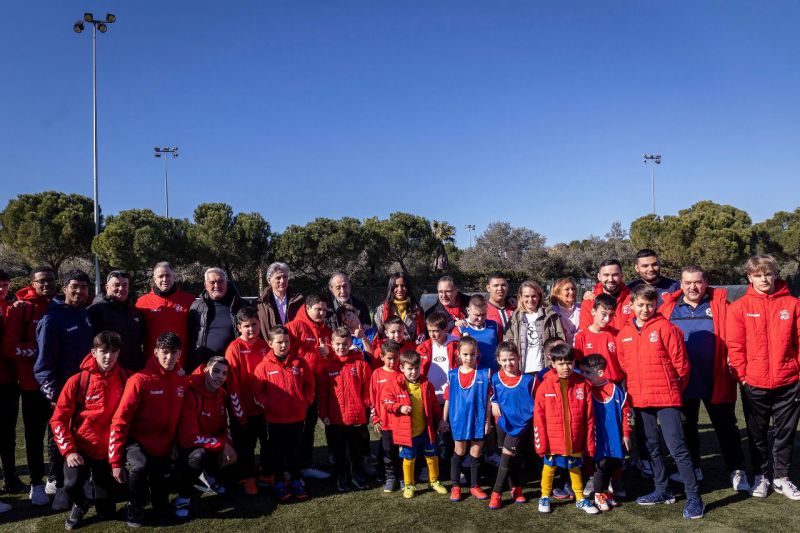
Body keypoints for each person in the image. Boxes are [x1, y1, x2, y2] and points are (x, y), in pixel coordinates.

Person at [616, 284, 703, 519]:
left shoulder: (667, 328)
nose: (646, 309)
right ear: (631, 305)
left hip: (666, 398)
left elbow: (682, 366)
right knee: (651, 448)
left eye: (650, 305)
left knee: (677, 448)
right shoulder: (623, 334)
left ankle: (694, 497)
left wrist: (672, 389)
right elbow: (624, 366)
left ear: (656, 305)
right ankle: (662, 489)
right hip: (640, 399)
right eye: (641, 305)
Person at [660, 265, 749, 491]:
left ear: (705, 282)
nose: (693, 287)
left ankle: (737, 471)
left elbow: (738, 335)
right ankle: (694, 468)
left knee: (726, 427)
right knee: (687, 427)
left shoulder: (721, 305)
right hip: (683, 381)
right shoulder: (668, 309)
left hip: (716, 379)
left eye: (698, 282)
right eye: (688, 282)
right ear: (681, 285)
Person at [727, 254, 800, 500]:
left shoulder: (793, 304)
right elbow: (735, 346)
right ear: (749, 277)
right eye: (757, 275)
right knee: (757, 434)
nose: (764, 279)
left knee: (785, 433)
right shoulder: (740, 307)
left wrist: (796, 372)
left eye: (767, 273)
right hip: (754, 383)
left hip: (789, 382)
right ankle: (761, 476)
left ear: (775, 274)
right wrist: (744, 377)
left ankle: (782, 478)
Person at [49, 331, 130, 530]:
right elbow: (58, 420)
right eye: (103, 351)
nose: (108, 357)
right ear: (93, 352)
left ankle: (104, 494)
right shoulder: (77, 381)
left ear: (119, 353)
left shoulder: (126, 378)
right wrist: (69, 451)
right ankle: (81, 504)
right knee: (71, 485)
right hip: (81, 448)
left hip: (108, 451)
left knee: (107, 511)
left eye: (113, 352)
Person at [109, 332, 188, 528]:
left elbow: (182, 417)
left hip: (164, 444)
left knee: (161, 501)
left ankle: (156, 499)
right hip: (138, 442)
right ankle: (133, 503)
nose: (169, 358)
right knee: (140, 465)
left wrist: (176, 442)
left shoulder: (181, 379)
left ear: (180, 354)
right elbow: (120, 420)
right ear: (155, 352)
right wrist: (116, 461)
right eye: (165, 352)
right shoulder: (139, 380)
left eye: (174, 353)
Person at [35, 269, 94, 510]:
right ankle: (59, 486)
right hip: (62, 394)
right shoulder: (51, 319)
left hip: (87, 391)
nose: (79, 292)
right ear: (64, 288)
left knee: (85, 437)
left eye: (83, 287)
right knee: (59, 439)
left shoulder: (86, 315)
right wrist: (53, 395)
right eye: (74, 287)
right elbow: (43, 364)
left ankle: (83, 483)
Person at [1, 266, 56, 498]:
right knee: (33, 436)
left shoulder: (59, 306)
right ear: (32, 283)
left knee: (58, 433)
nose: (46, 285)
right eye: (41, 281)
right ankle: (35, 483)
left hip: (58, 384)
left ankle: (55, 478)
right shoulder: (21, 309)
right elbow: (9, 348)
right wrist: (38, 353)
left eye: (50, 281)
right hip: (31, 385)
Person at [534, 344, 598, 515]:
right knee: (549, 468)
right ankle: (544, 496)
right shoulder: (544, 386)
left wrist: (589, 443)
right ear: (553, 363)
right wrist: (541, 444)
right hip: (552, 441)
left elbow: (589, 417)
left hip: (575, 438)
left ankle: (580, 498)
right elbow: (538, 418)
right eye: (561, 363)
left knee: (575, 468)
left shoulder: (583, 385)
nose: (565, 367)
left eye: (569, 363)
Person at [253, 325, 315, 502]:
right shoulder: (264, 366)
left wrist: (306, 401)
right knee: (277, 453)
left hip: (297, 417)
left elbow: (310, 384)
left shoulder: (299, 363)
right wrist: (268, 404)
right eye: (279, 342)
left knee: (295, 451)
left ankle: (296, 480)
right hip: (275, 419)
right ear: (271, 343)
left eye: (286, 341)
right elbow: (258, 390)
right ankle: (279, 482)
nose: (284, 345)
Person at [175, 356, 237, 519]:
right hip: (186, 446)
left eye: (224, 373)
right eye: (215, 371)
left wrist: (227, 443)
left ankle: (209, 476)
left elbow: (224, 426)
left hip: (208, 441)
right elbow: (189, 438)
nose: (220, 377)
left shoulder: (221, 393)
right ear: (205, 370)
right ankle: (183, 496)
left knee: (232, 451)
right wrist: (222, 445)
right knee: (198, 456)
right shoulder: (191, 393)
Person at [381, 350, 448, 499]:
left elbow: (435, 406)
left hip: (426, 431)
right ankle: (409, 484)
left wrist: (440, 421)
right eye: (410, 369)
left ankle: (434, 481)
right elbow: (385, 402)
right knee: (409, 458)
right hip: (407, 433)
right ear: (402, 368)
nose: (413, 372)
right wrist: (399, 407)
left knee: (432, 456)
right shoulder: (395, 384)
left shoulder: (426, 384)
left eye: (416, 368)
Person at [317, 327, 372, 492]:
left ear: (351, 344)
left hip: (356, 417)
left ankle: (357, 475)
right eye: (338, 344)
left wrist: (363, 406)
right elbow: (323, 393)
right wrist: (324, 413)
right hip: (335, 418)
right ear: (332, 344)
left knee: (356, 451)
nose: (342, 347)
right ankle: (342, 477)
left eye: (345, 344)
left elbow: (368, 388)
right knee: (339, 452)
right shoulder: (327, 366)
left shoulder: (360, 364)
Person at [286, 294, 333, 480]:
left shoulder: (327, 330)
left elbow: (333, 355)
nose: (321, 313)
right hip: (297, 387)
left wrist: (328, 353)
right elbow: (283, 354)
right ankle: (290, 467)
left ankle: (305, 465)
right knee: (294, 429)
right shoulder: (294, 327)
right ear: (307, 308)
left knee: (310, 426)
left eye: (324, 310)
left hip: (316, 388)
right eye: (317, 309)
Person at [224, 306, 270, 495]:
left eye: (254, 325)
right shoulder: (234, 348)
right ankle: (247, 478)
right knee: (245, 447)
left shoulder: (264, 346)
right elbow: (231, 383)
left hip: (263, 409)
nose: (251, 329)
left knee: (267, 443)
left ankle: (267, 475)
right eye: (246, 326)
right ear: (239, 327)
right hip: (242, 409)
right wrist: (238, 411)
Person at [578, 354, 632, 512]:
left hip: (614, 437)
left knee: (612, 464)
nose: (583, 375)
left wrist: (626, 433)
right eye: (581, 372)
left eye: (587, 372)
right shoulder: (584, 389)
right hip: (594, 437)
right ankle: (598, 494)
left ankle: (606, 493)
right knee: (600, 465)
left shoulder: (615, 389)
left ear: (600, 373)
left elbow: (626, 411)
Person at [443, 336, 491, 502]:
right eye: (465, 354)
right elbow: (448, 399)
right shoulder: (453, 375)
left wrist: (487, 421)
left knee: (475, 453)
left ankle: (474, 485)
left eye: (472, 354)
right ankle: (456, 486)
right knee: (460, 451)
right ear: (458, 354)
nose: (469, 358)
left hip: (478, 419)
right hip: (459, 419)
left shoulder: (483, 374)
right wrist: (444, 420)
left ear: (477, 354)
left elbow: (488, 401)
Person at [488, 342, 534, 510]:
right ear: (498, 360)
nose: (509, 363)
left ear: (519, 358)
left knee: (507, 458)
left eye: (512, 359)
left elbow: (534, 403)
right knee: (509, 459)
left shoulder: (529, 380)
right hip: (501, 423)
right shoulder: (494, 377)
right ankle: (516, 488)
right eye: (504, 360)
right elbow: (493, 396)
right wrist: (493, 402)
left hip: (519, 425)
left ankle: (496, 493)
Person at [135, 262, 195, 366]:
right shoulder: (142, 302)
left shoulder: (190, 300)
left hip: (181, 364)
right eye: (160, 276)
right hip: (152, 364)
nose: (164, 279)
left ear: (174, 277)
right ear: (154, 279)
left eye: (168, 275)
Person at [187, 267, 247, 371]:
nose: (217, 286)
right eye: (212, 282)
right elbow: (190, 336)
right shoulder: (196, 307)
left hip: (233, 365)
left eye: (220, 282)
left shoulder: (241, 306)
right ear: (205, 285)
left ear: (226, 283)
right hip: (204, 367)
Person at [87, 270, 145, 371]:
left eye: (124, 285)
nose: (121, 288)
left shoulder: (135, 312)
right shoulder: (95, 311)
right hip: (109, 373)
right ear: (107, 287)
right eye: (116, 285)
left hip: (133, 371)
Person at [505, 281, 564, 375]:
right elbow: (508, 344)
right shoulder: (514, 318)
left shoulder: (550, 315)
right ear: (521, 297)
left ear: (539, 296)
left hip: (546, 368)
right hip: (522, 369)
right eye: (526, 296)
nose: (530, 299)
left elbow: (561, 340)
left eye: (534, 296)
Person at [369, 340, 401, 492]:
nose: (392, 362)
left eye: (395, 358)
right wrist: (376, 418)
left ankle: (401, 476)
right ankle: (390, 476)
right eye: (389, 358)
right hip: (385, 421)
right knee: (387, 450)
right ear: (382, 357)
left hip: (402, 421)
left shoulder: (403, 373)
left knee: (402, 450)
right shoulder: (377, 374)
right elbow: (373, 398)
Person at [572, 294, 624, 383]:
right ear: (593, 312)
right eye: (603, 314)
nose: (607, 319)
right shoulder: (581, 337)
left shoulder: (617, 335)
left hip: (614, 383)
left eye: (611, 315)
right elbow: (577, 364)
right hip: (591, 384)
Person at [416, 312, 459, 403]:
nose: (432, 335)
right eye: (429, 331)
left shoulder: (456, 345)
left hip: (451, 398)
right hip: (430, 398)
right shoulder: (423, 348)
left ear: (445, 329)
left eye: (436, 331)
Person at [579, 260, 633, 331]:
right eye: (606, 275)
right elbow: (586, 333)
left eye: (615, 275)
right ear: (599, 276)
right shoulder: (590, 301)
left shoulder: (632, 300)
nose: (610, 279)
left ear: (621, 276)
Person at [256, 262, 304, 341]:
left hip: (294, 348)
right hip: (269, 350)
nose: (282, 281)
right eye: (278, 278)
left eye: (285, 277)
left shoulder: (299, 301)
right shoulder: (259, 304)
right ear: (269, 280)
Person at [452, 294, 501, 372]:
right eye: (477, 315)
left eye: (483, 314)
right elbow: (454, 355)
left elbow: (501, 349)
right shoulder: (460, 328)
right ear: (468, 311)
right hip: (472, 375)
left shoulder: (494, 325)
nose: (480, 318)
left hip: (493, 373)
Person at [374, 272, 426, 341]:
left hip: (411, 349)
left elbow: (422, 335)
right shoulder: (382, 310)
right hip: (388, 349)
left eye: (403, 286)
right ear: (391, 288)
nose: (400, 289)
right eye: (396, 286)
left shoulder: (417, 310)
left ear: (407, 288)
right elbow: (378, 334)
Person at [550, 277, 581, 346]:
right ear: (557, 292)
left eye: (573, 289)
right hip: (561, 353)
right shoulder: (551, 312)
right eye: (567, 289)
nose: (572, 292)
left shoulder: (582, 308)